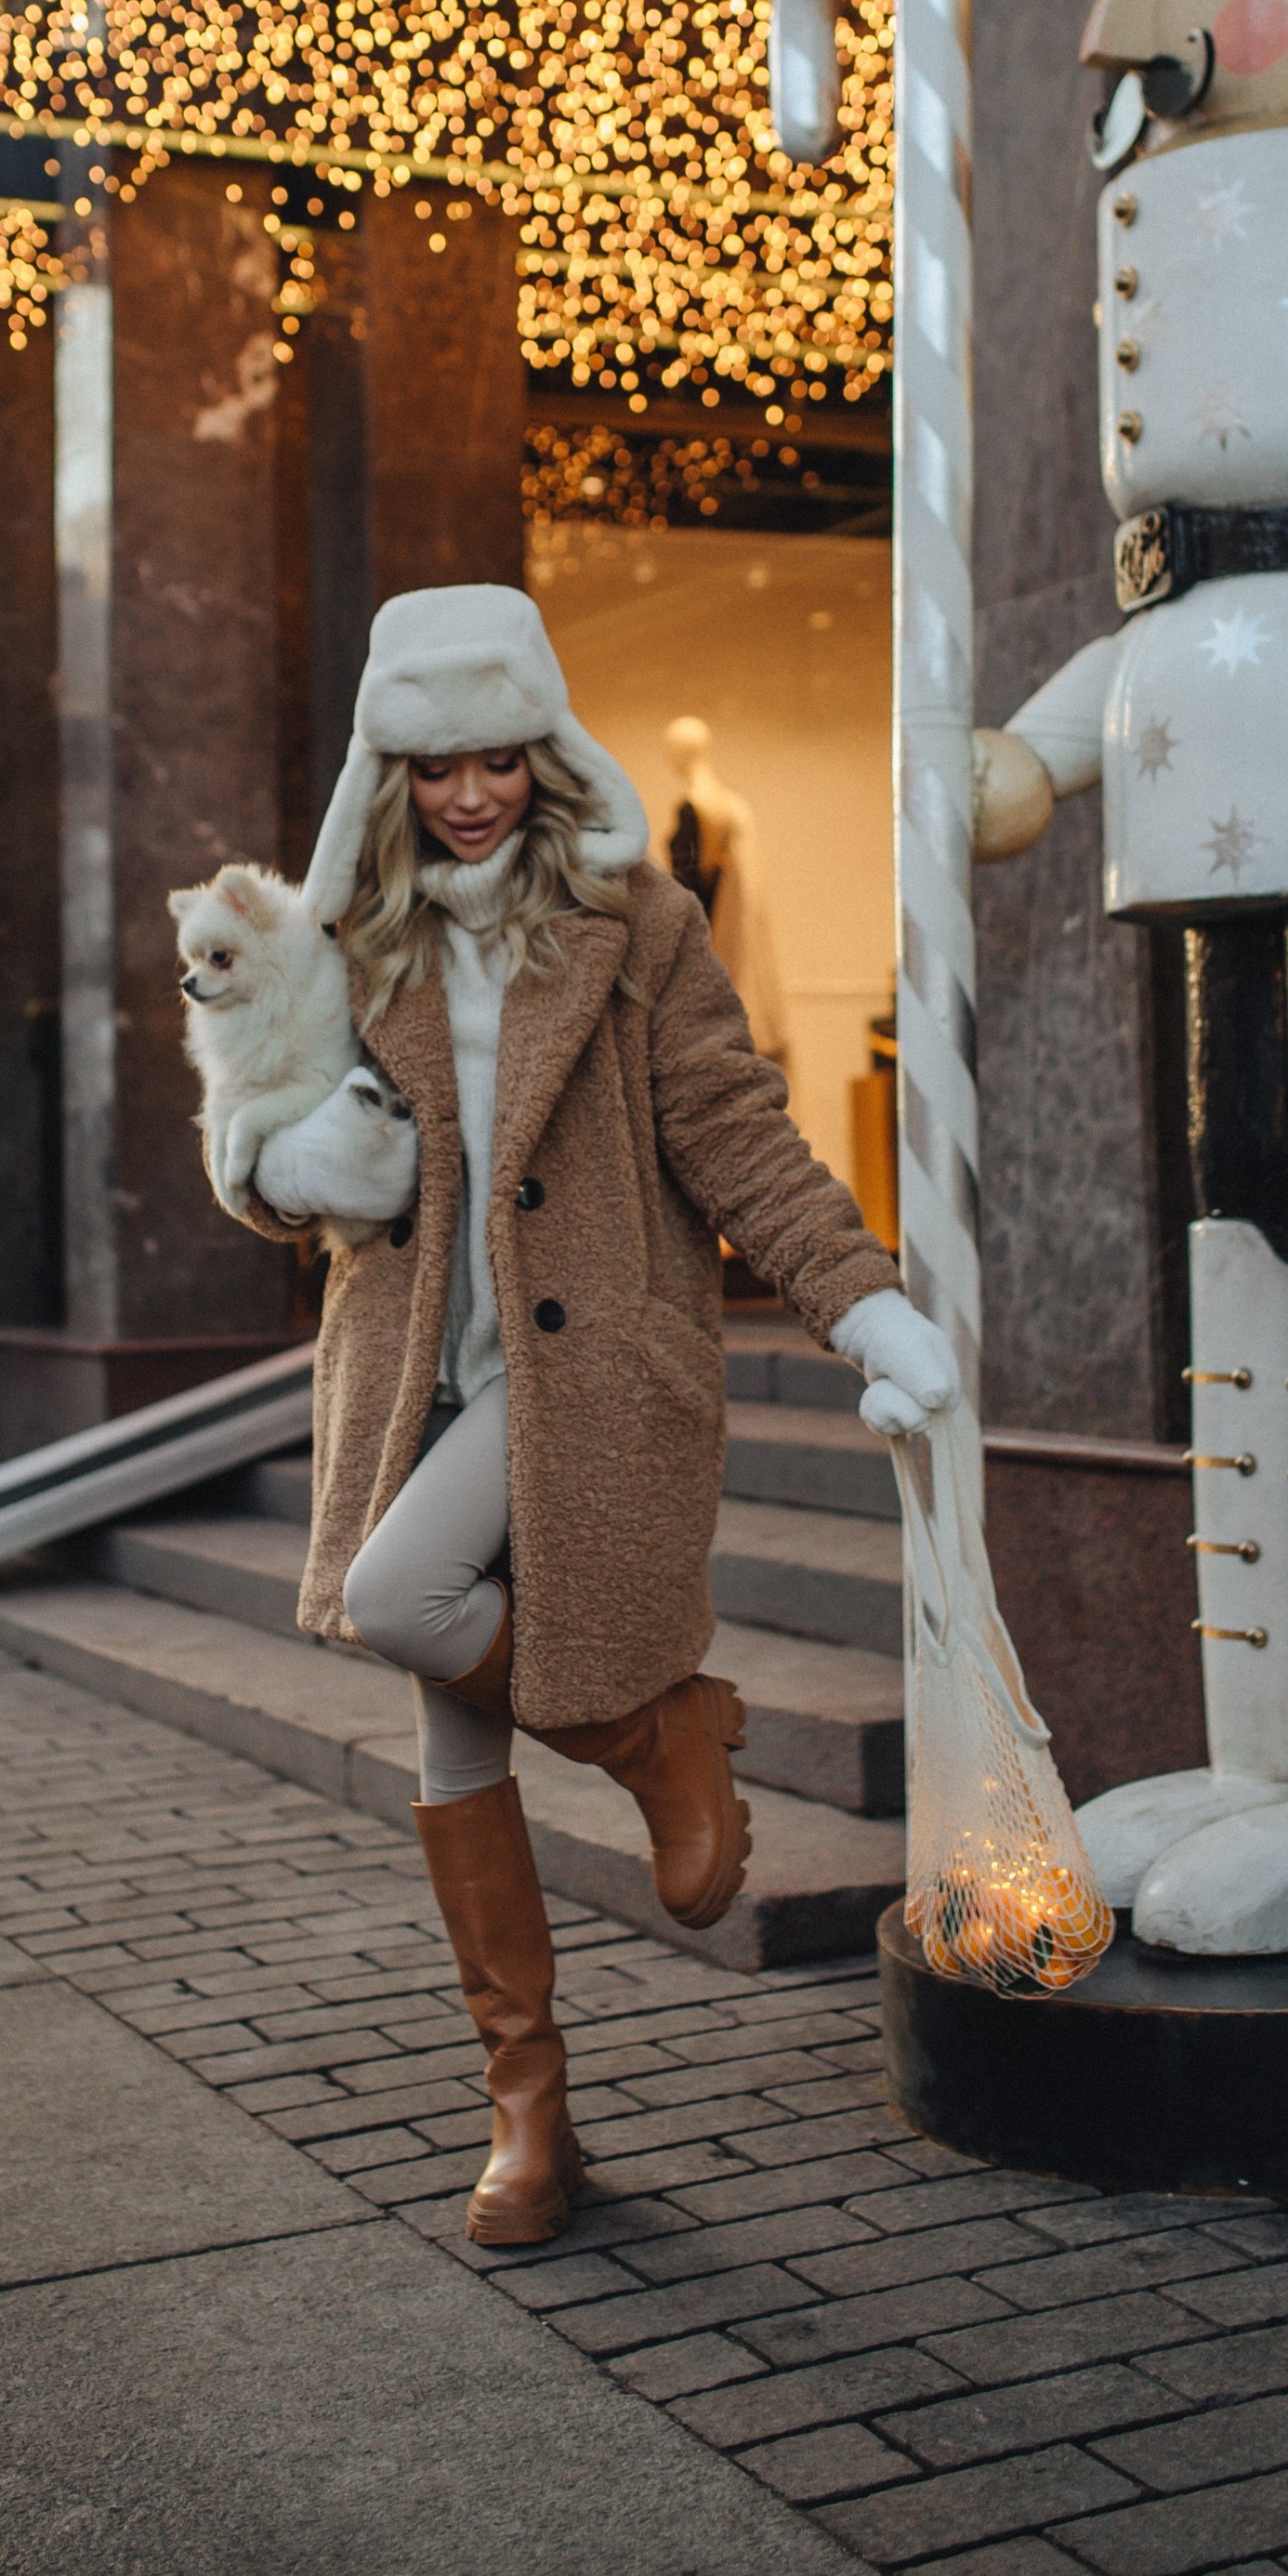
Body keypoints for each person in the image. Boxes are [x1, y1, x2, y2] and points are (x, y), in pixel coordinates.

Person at [225, 585, 955, 2247]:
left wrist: (857, 1301)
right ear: (386, 767)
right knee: (446, 1717)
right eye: (432, 764)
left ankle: (655, 1743)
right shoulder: (344, 936)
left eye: (496, 756)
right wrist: (277, 1169)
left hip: (585, 1361)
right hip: (413, 1359)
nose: (469, 794)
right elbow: (255, 1113)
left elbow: (732, 1128)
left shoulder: (640, 919)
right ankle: (531, 2110)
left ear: (543, 749)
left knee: (404, 1601)